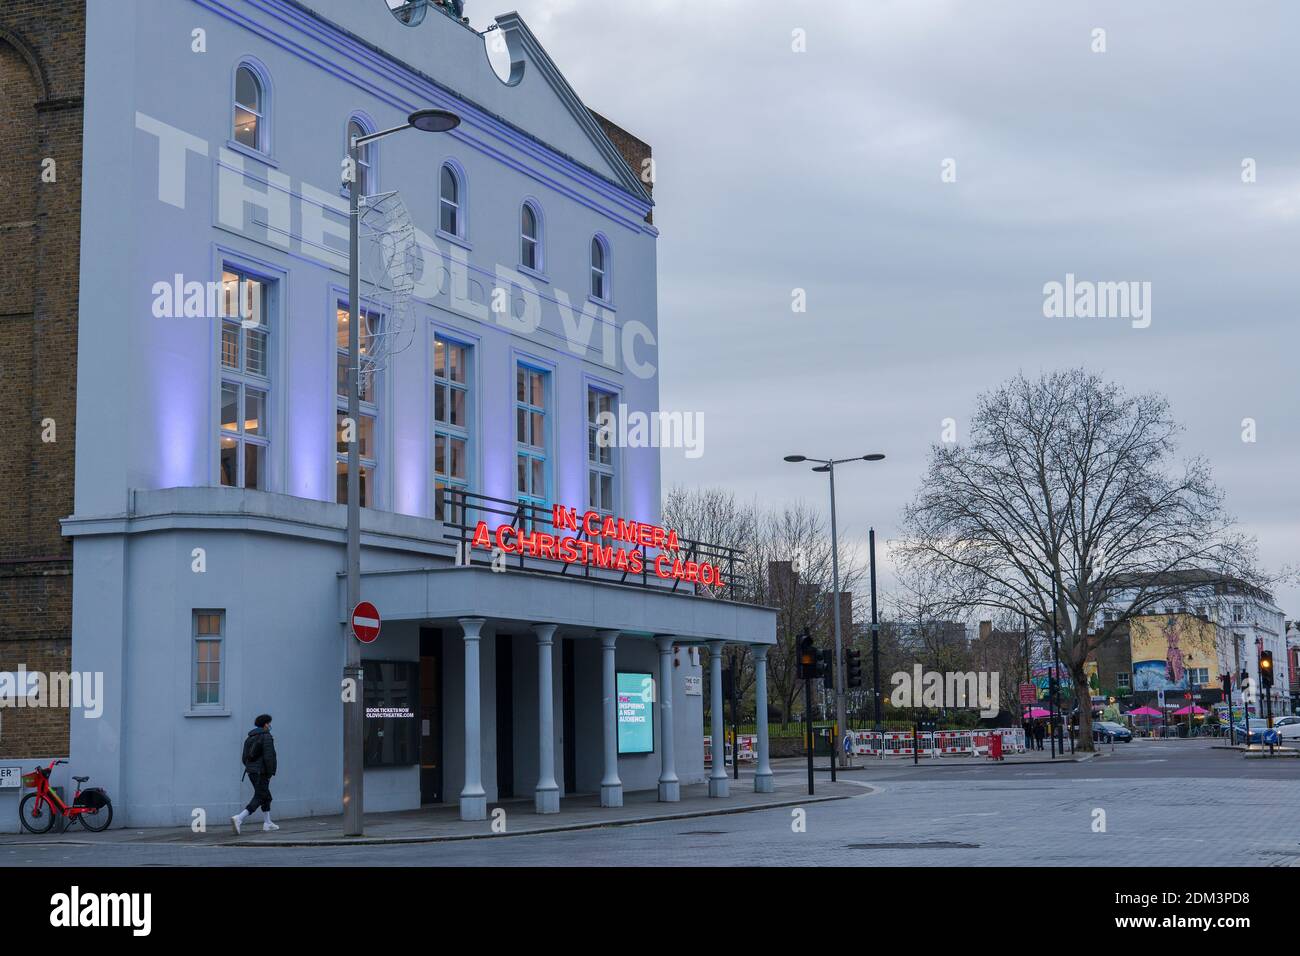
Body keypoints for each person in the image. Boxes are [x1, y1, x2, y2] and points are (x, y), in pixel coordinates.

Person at [232, 714, 278, 834]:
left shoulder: (249, 738)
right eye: (269, 723)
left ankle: (267, 823)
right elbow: (269, 757)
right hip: (262, 772)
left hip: (251, 772)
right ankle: (239, 818)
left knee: (266, 796)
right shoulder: (266, 736)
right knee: (260, 796)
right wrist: (269, 772)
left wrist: (251, 768)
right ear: (265, 724)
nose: (270, 725)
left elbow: (244, 758)